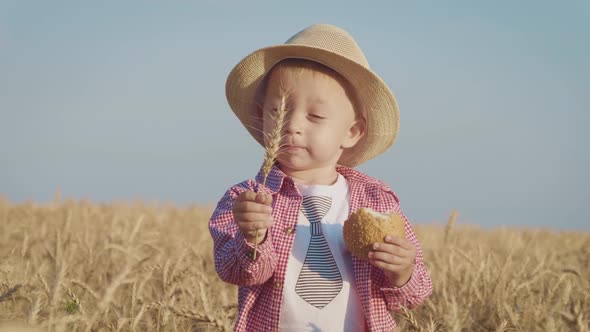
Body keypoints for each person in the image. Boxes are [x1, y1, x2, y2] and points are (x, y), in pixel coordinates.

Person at [209, 23, 432, 332]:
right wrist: (253, 237)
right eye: (278, 110)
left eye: (314, 116)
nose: (292, 126)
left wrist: (402, 271)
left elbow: (413, 296)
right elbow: (236, 272)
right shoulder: (246, 199)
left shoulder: (377, 201)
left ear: (352, 132)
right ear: (261, 117)